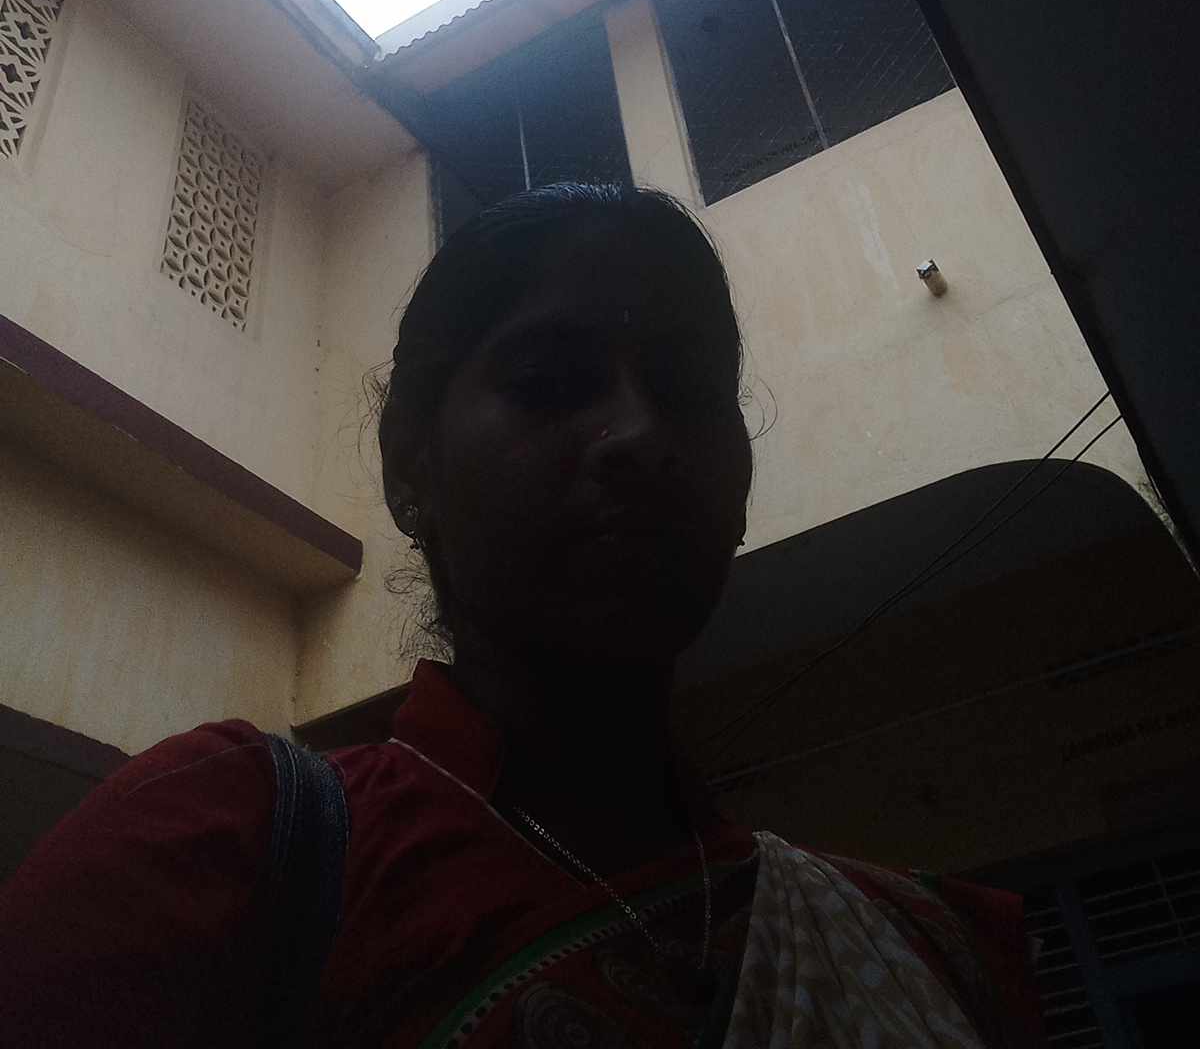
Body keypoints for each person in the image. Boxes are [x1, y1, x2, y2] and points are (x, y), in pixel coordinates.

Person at [0, 183, 1042, 1046]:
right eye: (552, 384)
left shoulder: (929, 950)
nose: (639, 434)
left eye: (687, 389)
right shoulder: (219, 848)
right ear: (409, 466)